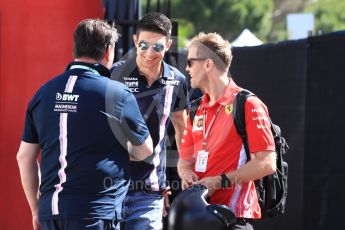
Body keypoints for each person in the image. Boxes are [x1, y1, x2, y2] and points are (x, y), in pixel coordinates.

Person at [16, 19, 153, 230]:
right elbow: (145, 150)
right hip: (96, 213)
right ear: (108, 52)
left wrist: (36, 209)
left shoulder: (43, 93)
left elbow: (24, 157)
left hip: (50, 213)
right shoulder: (116, 93)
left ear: (75, 49)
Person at [177, 32, 277, 229]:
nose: (186, 68)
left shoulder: (248, 104)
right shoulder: (196, 108)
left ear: (208, 64)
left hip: (232, 217)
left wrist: (219, 181)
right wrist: (186, 173)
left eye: (190, 62)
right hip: (198, 216)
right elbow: (184, 159)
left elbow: (267, 163)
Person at [111, 12, 189, 230]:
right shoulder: (113, 74)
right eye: (144, 45)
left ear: (169, 44)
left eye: (158, 47)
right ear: (135, 41)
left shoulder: (177, 81)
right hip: (110, 190)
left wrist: (177, 179)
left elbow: (182, 132)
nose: (149, 53)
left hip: (150, 195)